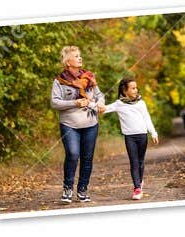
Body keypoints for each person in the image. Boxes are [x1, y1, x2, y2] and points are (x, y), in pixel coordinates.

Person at [50, 45, 105, 204]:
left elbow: (99, 95)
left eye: (80, 55)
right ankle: (67, 188)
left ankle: (82, 190)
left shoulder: (89, 77)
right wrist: (75, 103)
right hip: (69, 125)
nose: (80, 58)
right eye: (76, 56)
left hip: (91, 124)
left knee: (87, 158)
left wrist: (100, 103)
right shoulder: (59, 81)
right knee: (73, 154)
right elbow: (55, 103)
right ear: (68, 62)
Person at [102, 76, 160, 202]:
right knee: (133, 162)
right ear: (124, 90)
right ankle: (137, 188)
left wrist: (153, 133)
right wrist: (94, 103)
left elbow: (147, 118)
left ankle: (140, 180)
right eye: (133, 88)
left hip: (143, 136)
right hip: (130, 137)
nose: (136, 90)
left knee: (140, 161)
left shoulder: (141, 103)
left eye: (136, 88)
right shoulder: (119, 104)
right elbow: (104, 109)